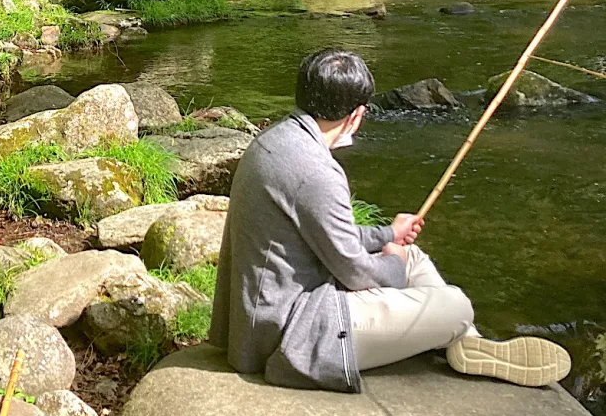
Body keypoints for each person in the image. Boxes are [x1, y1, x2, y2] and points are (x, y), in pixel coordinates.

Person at [209, 47, 571, 392]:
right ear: (357, 115)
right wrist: (392, 266)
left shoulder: (275, 140)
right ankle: (459, 333)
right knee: (457, 304)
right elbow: (353, 270)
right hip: (292, 331)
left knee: (410, 253)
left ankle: (466, 344)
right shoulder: (316, 171)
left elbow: (328, 233)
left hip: (270, 311)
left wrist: (389, 233)